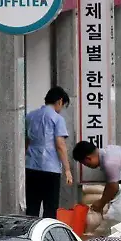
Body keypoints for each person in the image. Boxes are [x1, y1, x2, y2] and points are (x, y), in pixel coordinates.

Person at [25, 87, 74, 219]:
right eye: (62, 105)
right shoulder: (57, 119)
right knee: (50, 208)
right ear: (60, 101)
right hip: (50, 168)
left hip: (31, 166)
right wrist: (67, 170)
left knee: (32, 206)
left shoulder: (30, 116)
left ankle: (29, 231)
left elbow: (26, 141)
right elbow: (60, 145)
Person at [72, 141, 121, 220]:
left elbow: (113, 188)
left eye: (85, 163)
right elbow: (110, 185)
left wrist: (101, 203)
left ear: (88, 158)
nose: (87, 166)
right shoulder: (108, 152)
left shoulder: (109, 162)